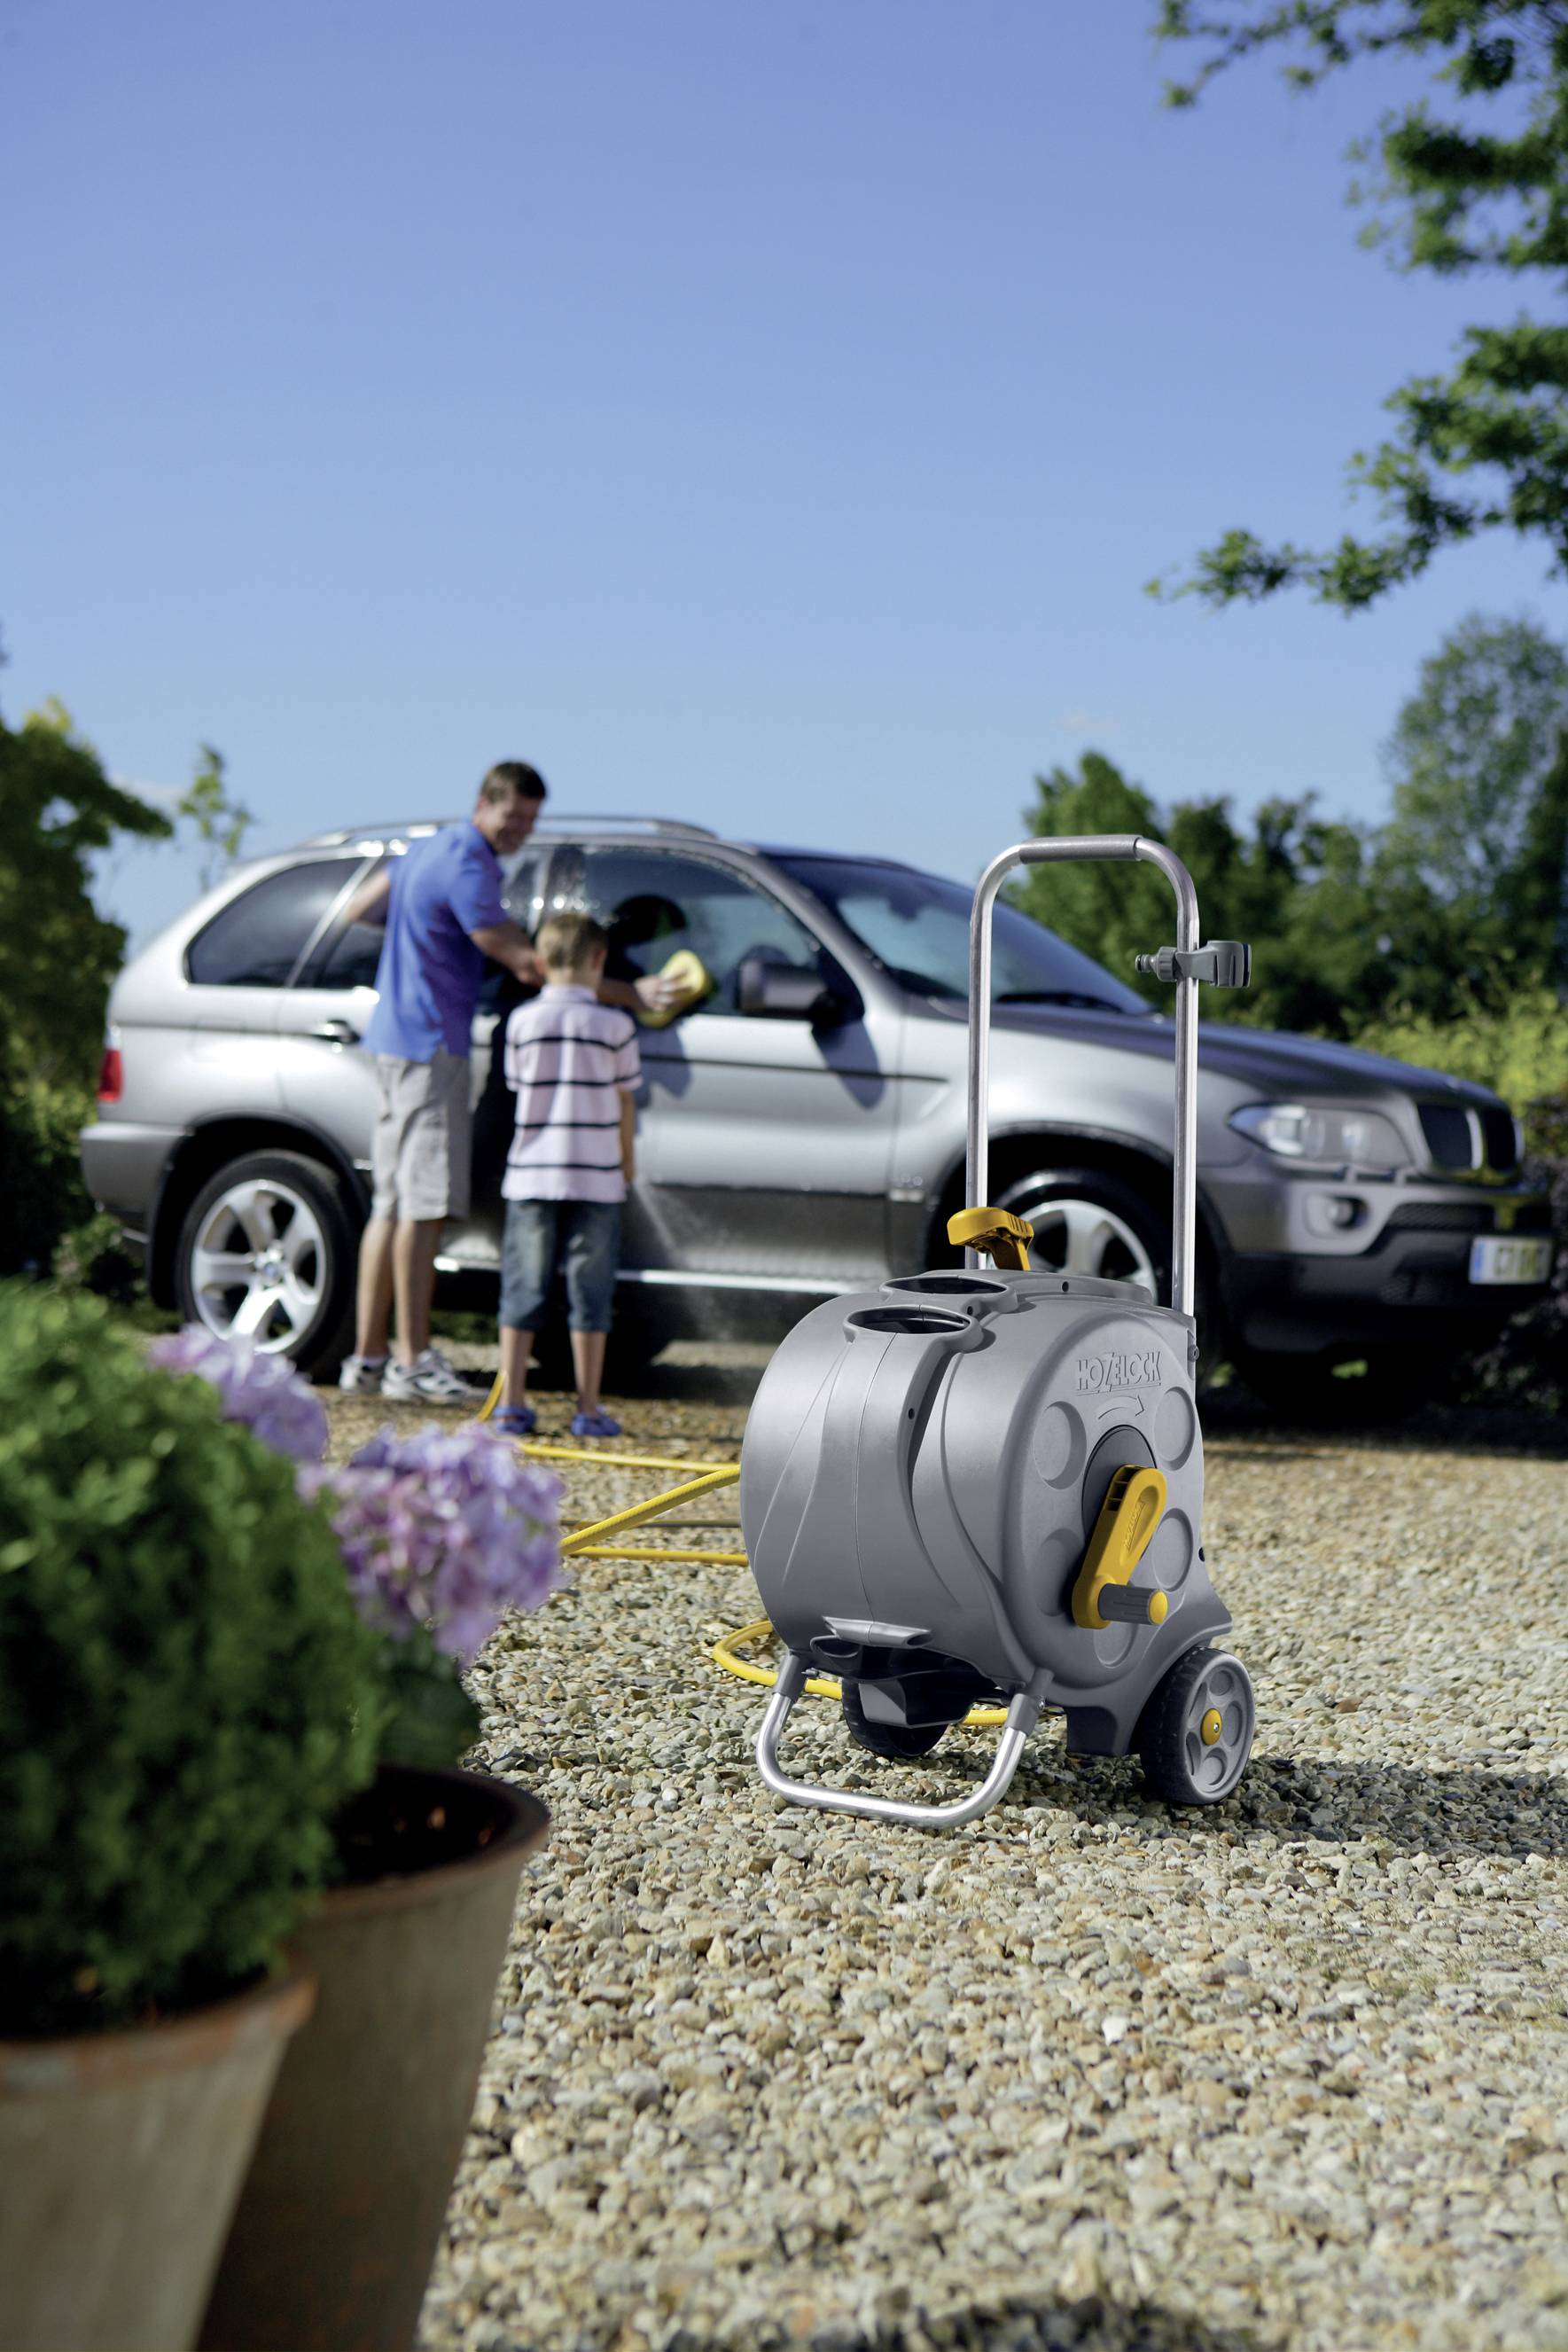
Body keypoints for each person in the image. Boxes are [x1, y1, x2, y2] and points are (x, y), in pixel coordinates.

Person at [337, 763, 670, 1402]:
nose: (519, 830)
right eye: (511, 816)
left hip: (391, 1038)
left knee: (392, 1203)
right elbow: (529, 963)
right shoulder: (467, 863)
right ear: (482, 804)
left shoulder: (429, 848)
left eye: (528, 820)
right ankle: (412, 1362)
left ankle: (368, 1358)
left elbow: (360, 908)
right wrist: (634, 993)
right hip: (432, 1044)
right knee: (424, 1207)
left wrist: (423, 932)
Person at [490, 910, 640, 1440]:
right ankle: (589, 1407)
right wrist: (627, 1163)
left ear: (541, 960)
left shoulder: (521, 1023)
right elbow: (625, 1104)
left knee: (523, 1288)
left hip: (531, 1175)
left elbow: (517, 1088)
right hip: (597, 1178)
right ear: (599, 959)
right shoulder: (616, 1026)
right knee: (591, 1293)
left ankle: (511, 1404)